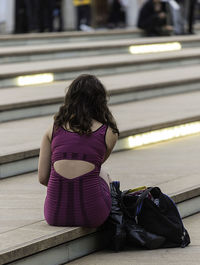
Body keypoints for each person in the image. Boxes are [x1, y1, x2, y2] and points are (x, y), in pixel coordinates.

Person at [38, 74, 119, 228]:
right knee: (103, 173)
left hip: (54, 215)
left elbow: (43, 178)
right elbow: (96, 165)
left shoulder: (52, 130)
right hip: (93, 215)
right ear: (101, 101)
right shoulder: (108, 133)